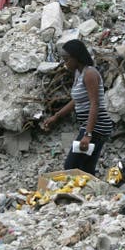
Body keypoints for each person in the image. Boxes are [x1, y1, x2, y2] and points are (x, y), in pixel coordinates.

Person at [43, 39, 112, 175]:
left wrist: (88, 134)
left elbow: (95, 103)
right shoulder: (78, 73)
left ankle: (84, 193)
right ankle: (89, 194)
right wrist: (56, 117)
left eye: (67, 59)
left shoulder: (90, 73)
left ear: (77, 57)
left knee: (73, 166)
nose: (65, 63)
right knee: (84, 167)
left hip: (97, 126)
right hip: (89, 125)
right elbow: (75, 101)